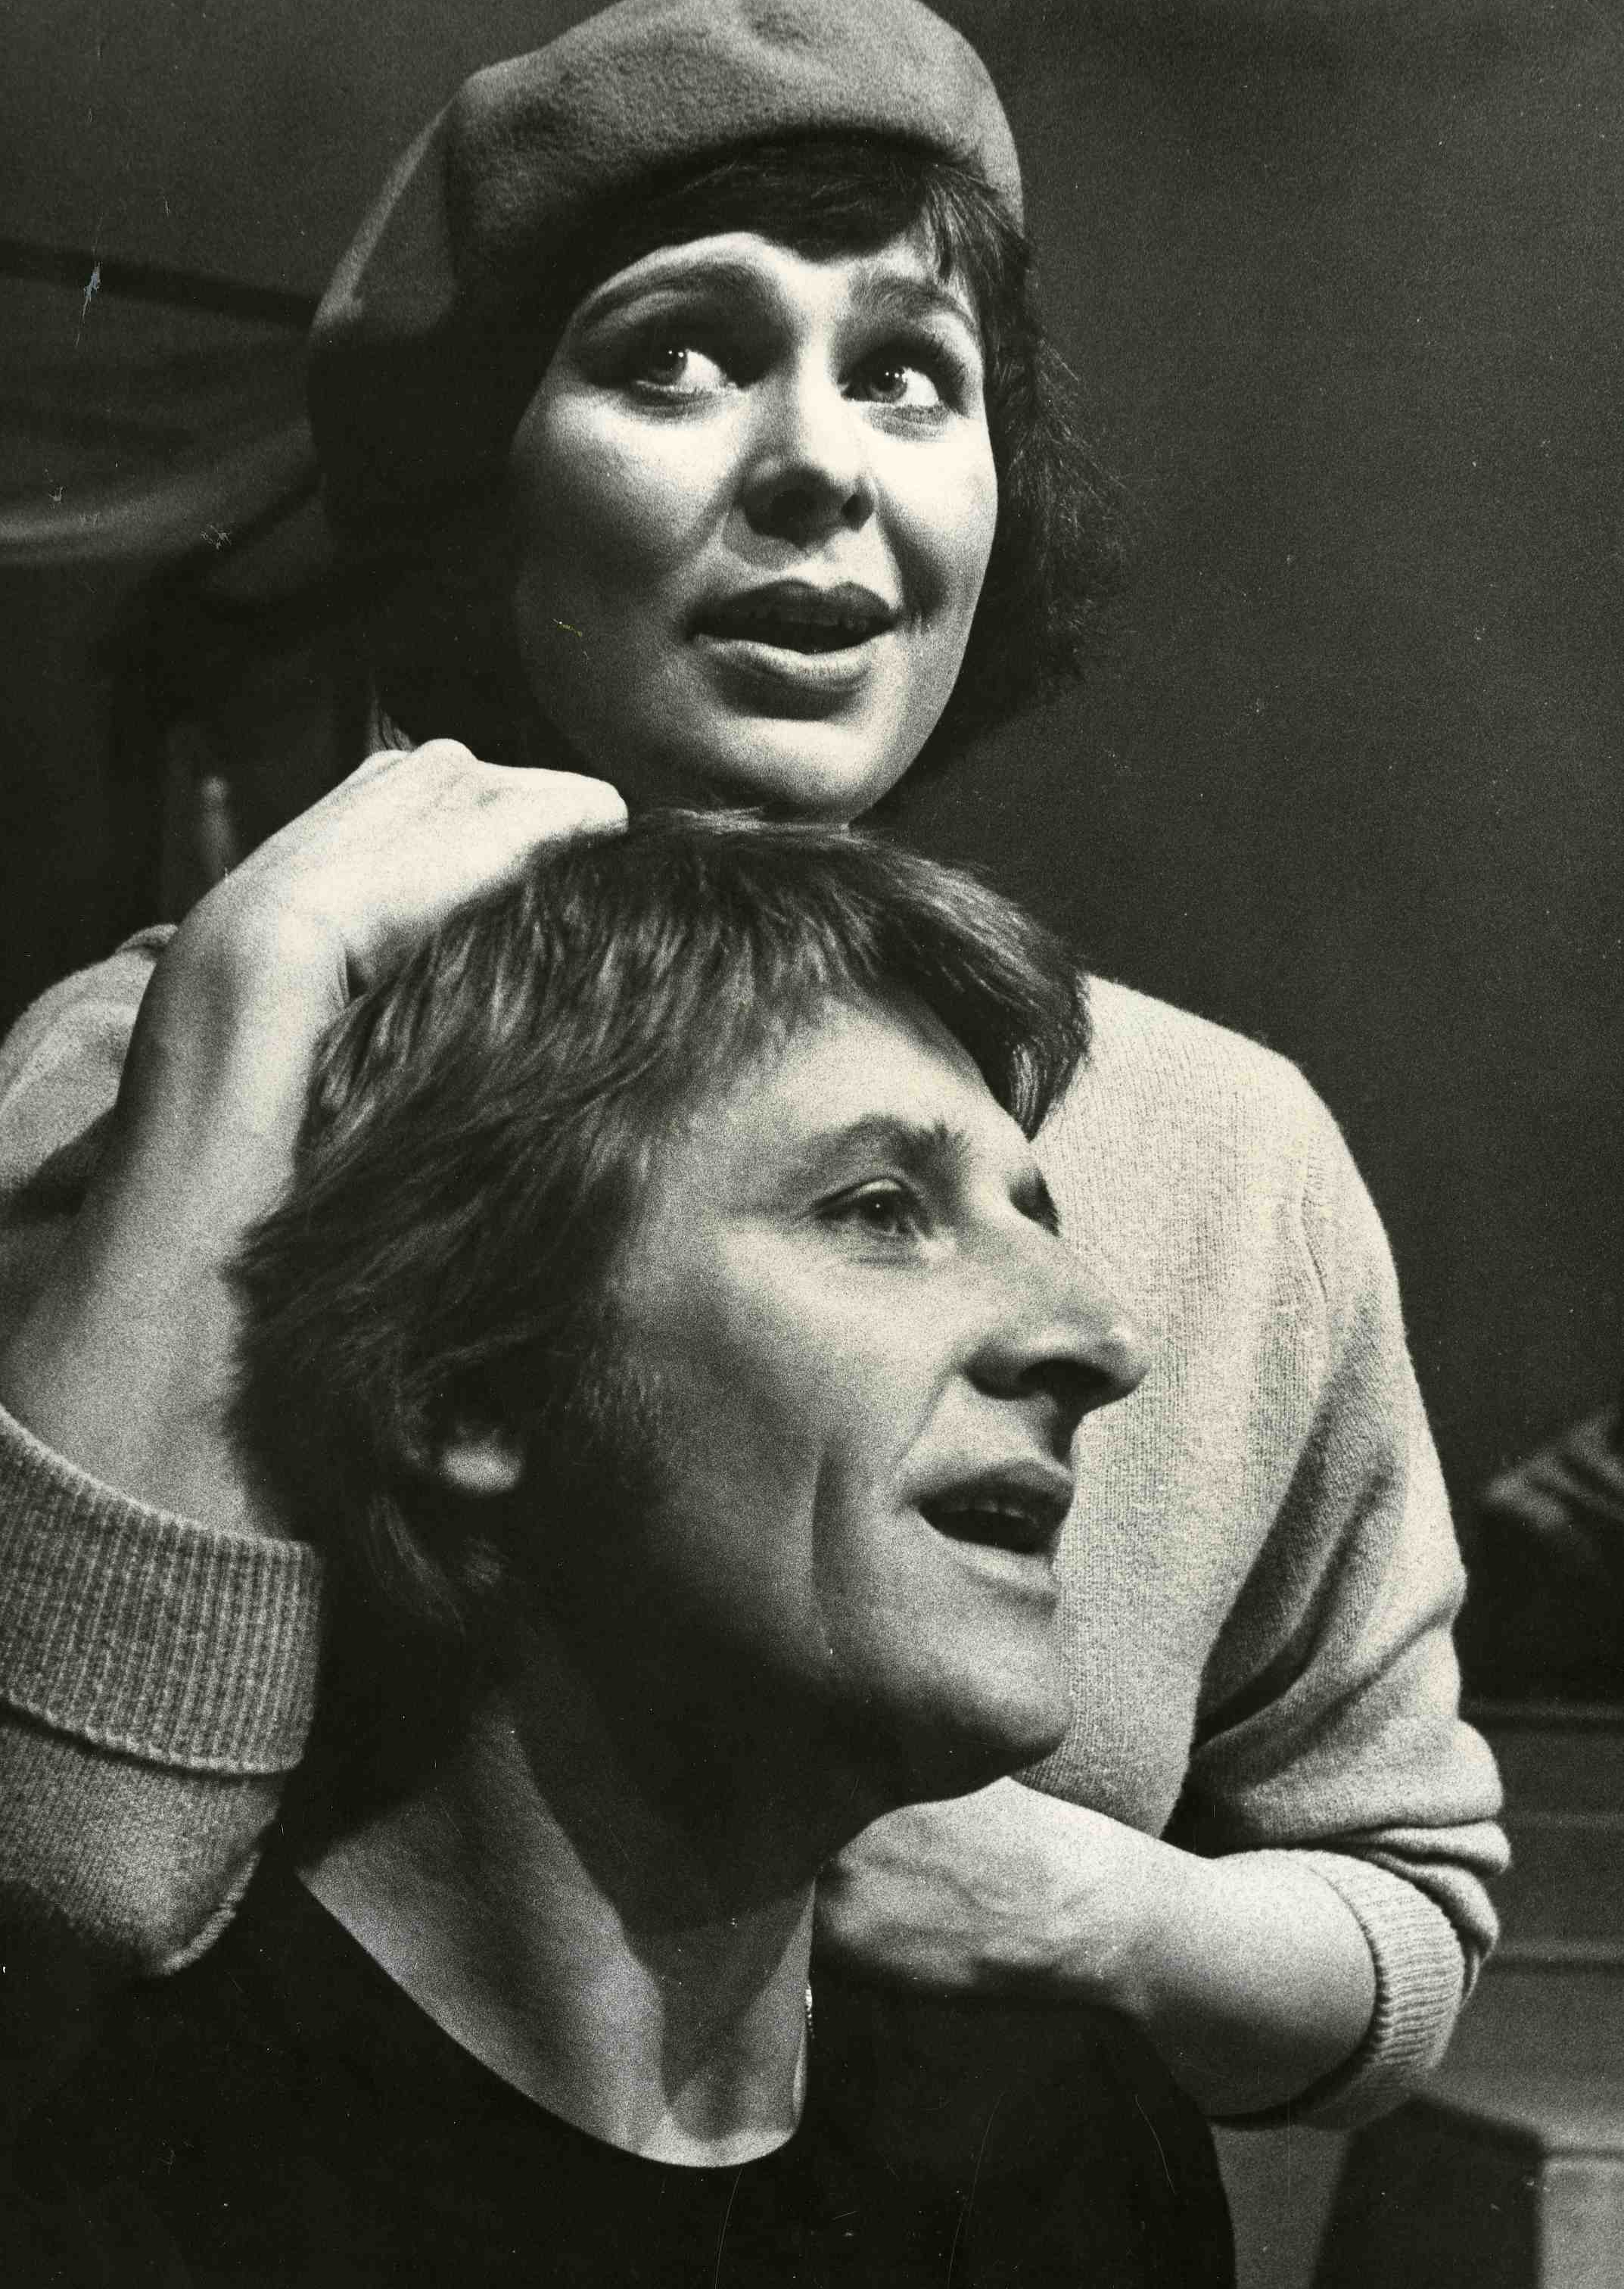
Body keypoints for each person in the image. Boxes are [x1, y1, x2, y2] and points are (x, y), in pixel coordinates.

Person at [0, 0, 1502, 2269]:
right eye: (675, 356)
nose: (820, 462)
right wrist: (256, 999)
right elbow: (65, 1887)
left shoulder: (1225, 1154)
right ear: (489, 490)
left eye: (912, 373)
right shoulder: (172, 1062)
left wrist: (1100, 1914)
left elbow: (1396, 1894)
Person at [8, 811, 1246, 2283]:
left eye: (1036, 1219)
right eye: (876, 1211)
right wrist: (257, 972)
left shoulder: (1071, 2144)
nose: (1099, 1340)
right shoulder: (111, 2185)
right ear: (466, 1386)